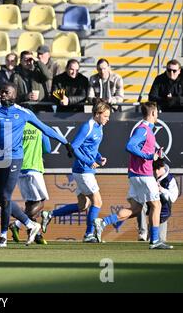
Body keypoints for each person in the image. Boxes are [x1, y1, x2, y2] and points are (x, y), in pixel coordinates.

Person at [0, 82, 73, 247]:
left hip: (15, 158)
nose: (2, 95)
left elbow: (45, 129)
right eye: (1, 92)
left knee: (6, 197)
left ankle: (3, 235)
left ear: (14, 94)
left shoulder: (23, 113)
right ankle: (30, 224)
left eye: (6, 92)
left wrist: (65, 142)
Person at [94, 102, 173, 249]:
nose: (158, 115)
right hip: (143, 174)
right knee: (157, 205)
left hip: (136, 174)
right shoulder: (143, 129)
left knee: (136, 209)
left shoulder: (146, 129)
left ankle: (102, 222)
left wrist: (154, 155)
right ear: (153, 113)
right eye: (157, 113)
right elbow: (130, 146)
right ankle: (155, 241)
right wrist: (150, 156)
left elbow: (140, 149)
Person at [41, 102, 111, 242]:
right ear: (97, 114)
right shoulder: (88, 126)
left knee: (82, 205)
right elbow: (74, 147)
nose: (107, 119)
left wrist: (98, 157)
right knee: (97, 201)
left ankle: (49, 215)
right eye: (105, 116)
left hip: (85, 170)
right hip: (83, 170)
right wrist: (89, 161)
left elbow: (92, 147)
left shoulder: (100, 127)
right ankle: (89, 234)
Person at [9, 122, 51, 245]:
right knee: (41, 202)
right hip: (34, 168)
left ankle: (36, 235)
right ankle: (16, 224)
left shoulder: (17, 127)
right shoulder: (40, 127)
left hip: (19, 169)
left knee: (30, 203)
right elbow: (48, 149)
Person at [136, 158, 179, 242]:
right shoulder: (150, 176)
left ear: (163, 168)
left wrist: (161, 190)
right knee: (139, 204)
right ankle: (143, 232)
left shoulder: (170, 180)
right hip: (150, 204)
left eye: (157, 169)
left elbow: (173, 198)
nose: (155, 172)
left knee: (160, 240)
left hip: (162, 212)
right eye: (153, 170)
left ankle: (151, 238)